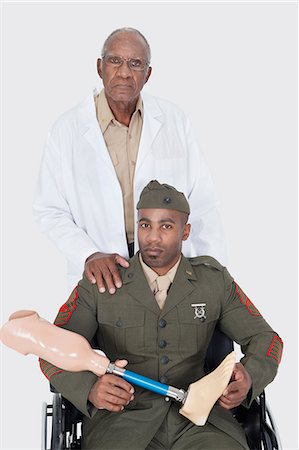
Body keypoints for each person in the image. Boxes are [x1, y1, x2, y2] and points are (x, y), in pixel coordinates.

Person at [39, 180, 283, 450]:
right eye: (145, 225)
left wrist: (249, 378)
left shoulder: (214, 282)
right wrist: (89, 389)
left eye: (165, 226)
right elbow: (51, 348)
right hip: (121, 422)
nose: (152, 237)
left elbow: (266, 338)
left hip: (202, 421)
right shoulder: (101, 282)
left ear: (185, 231)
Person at [33, 27, 227, 292]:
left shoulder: (175, 121)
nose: (124, 72)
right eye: (115, 60)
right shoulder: (66, 130)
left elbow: (203, 203)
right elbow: (49, 209)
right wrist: (88, 254)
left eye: (135, 63)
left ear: (147, 74)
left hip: (169, 270)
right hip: (102, 274)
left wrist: (210, 272)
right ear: (100, 67)